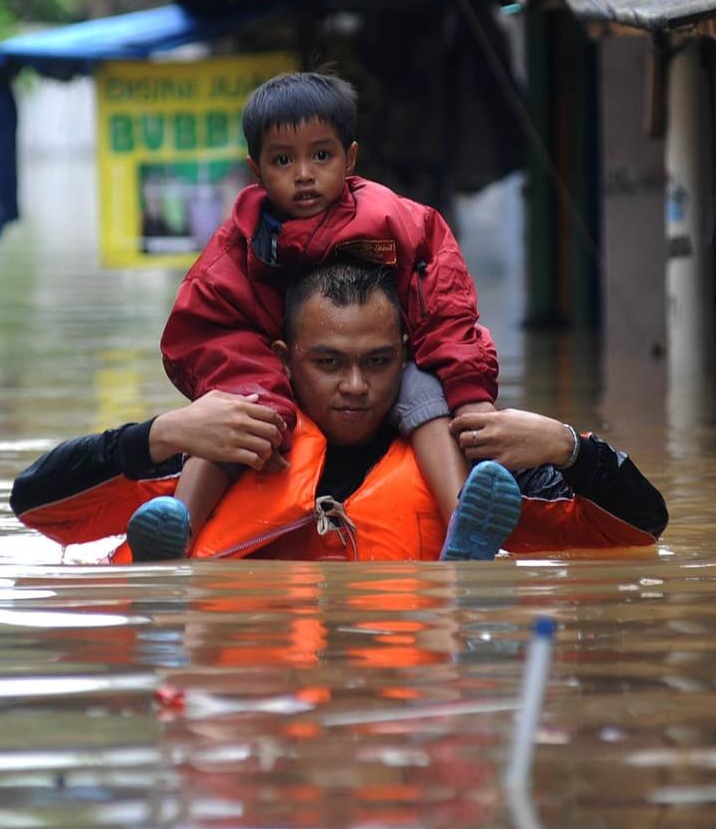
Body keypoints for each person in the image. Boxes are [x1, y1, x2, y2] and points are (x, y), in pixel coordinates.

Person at [12, 262, 667, 561]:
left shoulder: (467, 477)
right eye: (328, 363)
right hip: (265, 715)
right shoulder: (220, 447)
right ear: (284, 360)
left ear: (407, 356)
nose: (355, 385)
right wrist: (156, 434)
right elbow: (37, 504)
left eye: (378, 362)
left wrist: (565, 446)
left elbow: (641, 529)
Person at [134, 71, 507, 562]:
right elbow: (204, 329)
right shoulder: (239, 248)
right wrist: (250, 383)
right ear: (257, 170)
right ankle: (178, 525)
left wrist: (472, 396)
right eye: (283, 160)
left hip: (389, 365)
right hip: (278, 371)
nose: (304, 174)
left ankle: (464, 521)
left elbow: (446, 303)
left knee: (428, 394)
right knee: (234, 415)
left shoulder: (395, 220)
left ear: (350, 159)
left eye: (321, 156)